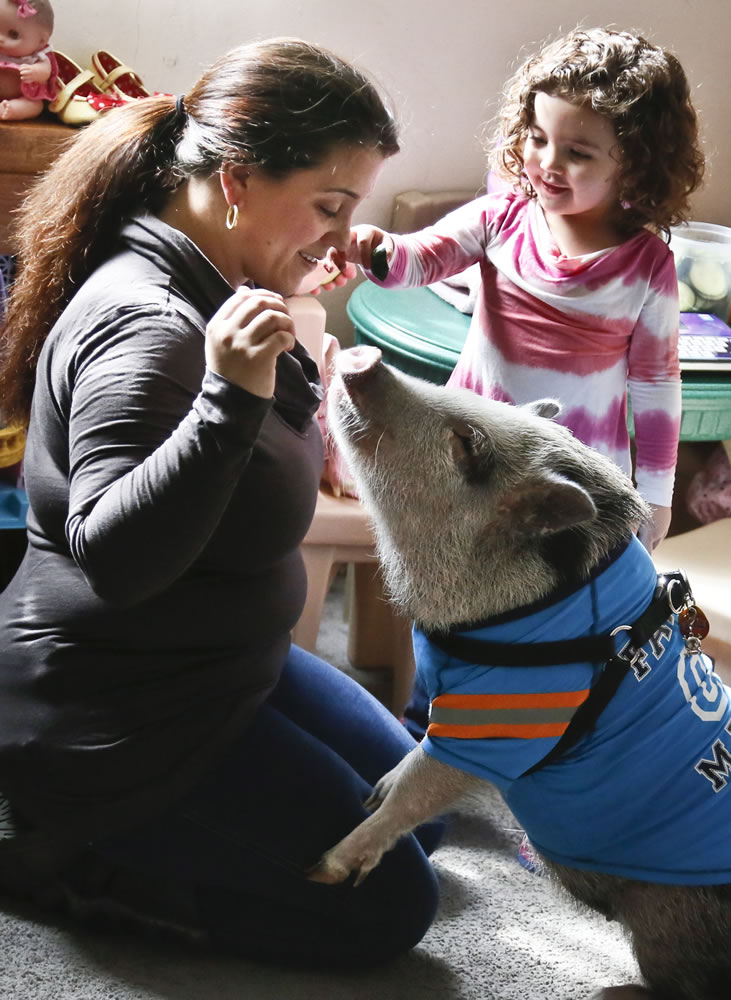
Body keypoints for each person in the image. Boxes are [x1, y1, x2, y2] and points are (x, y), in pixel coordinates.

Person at [0, 37, 443, 965]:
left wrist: (287, 320)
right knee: (388, 908)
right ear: (236, 179)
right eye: (326, 207)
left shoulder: (217, 277)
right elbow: (117, 564)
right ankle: (68, 863)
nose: (337, 235)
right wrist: (226, 397)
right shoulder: (149, 328)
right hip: (121, 712)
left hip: (224, 659)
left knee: (420, 814)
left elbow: (258, 463)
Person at [342, 25, 705, 555]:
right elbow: (418, 260)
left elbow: (656, 386)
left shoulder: (647, 267)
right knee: (458, 565)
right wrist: (376, 248)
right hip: (473, 447)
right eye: (537, 138)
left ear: (635, 163)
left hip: (578, 471)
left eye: (578, 152)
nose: (548, 164)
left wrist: (656, 495)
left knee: (557, 590)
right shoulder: (500, 217)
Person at [0, 0, 58, 121]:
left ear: (41, 41)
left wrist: (35, 72)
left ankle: (11, 109)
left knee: (36, 106)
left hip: (24, 95)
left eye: (13, 34)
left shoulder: (38, 57)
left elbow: (46, 71)